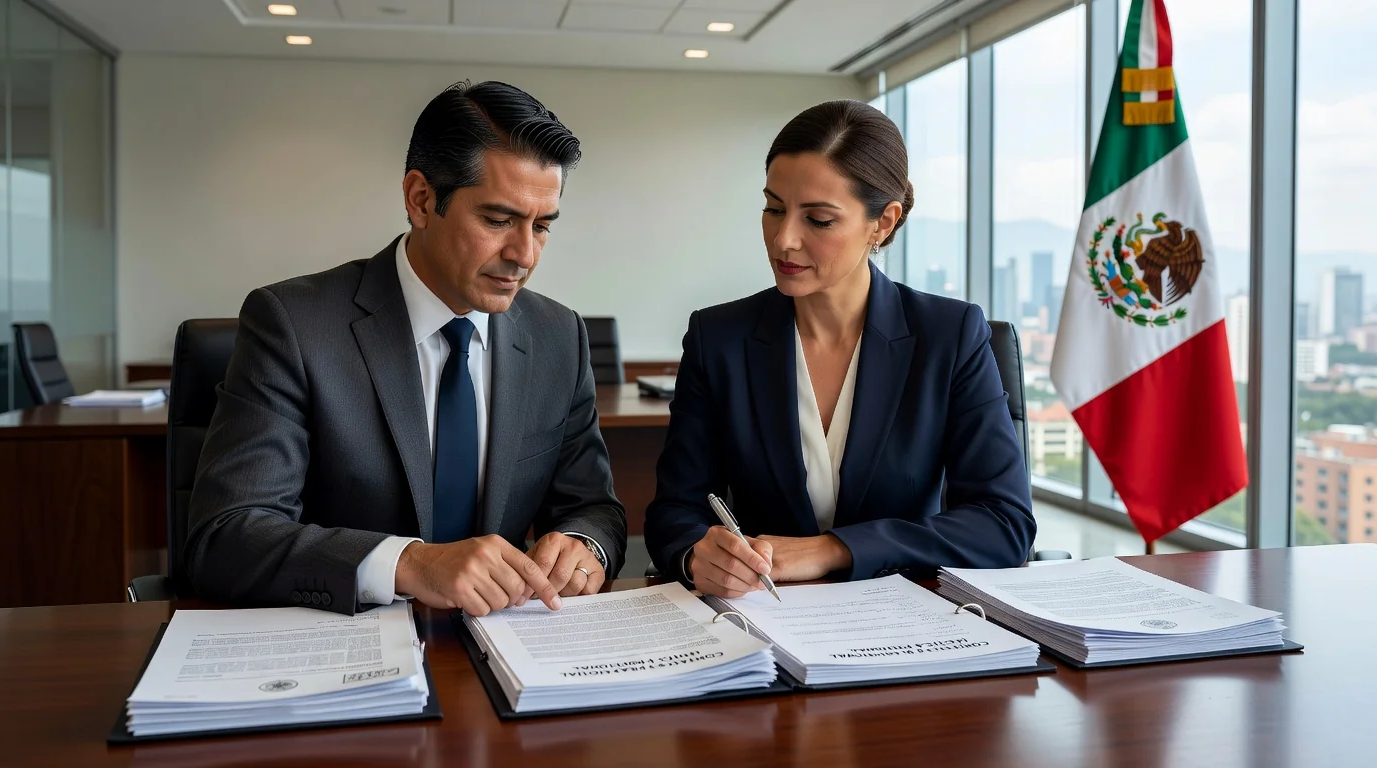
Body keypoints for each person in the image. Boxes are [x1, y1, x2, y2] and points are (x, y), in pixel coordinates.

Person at [187, 81, 626, 616]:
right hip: (342, 647)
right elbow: (227, 535)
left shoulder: (561, 336)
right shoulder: (294, 325)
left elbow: (593, 508)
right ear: (420, 200)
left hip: (508, 649)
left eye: (543, 226)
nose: (524, 255)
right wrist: (411, 564)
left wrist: (585, 546)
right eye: (497, 220)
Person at [645, 100, 1034, 598]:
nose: (784, 240)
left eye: (819, 220)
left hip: (909, 628)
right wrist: (698, 553)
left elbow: (1004, 525)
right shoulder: (719, 337)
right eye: (774, 209)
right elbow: (674, 513)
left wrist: (835, 548)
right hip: (764, 623)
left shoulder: (950, 334)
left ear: (884, 223)